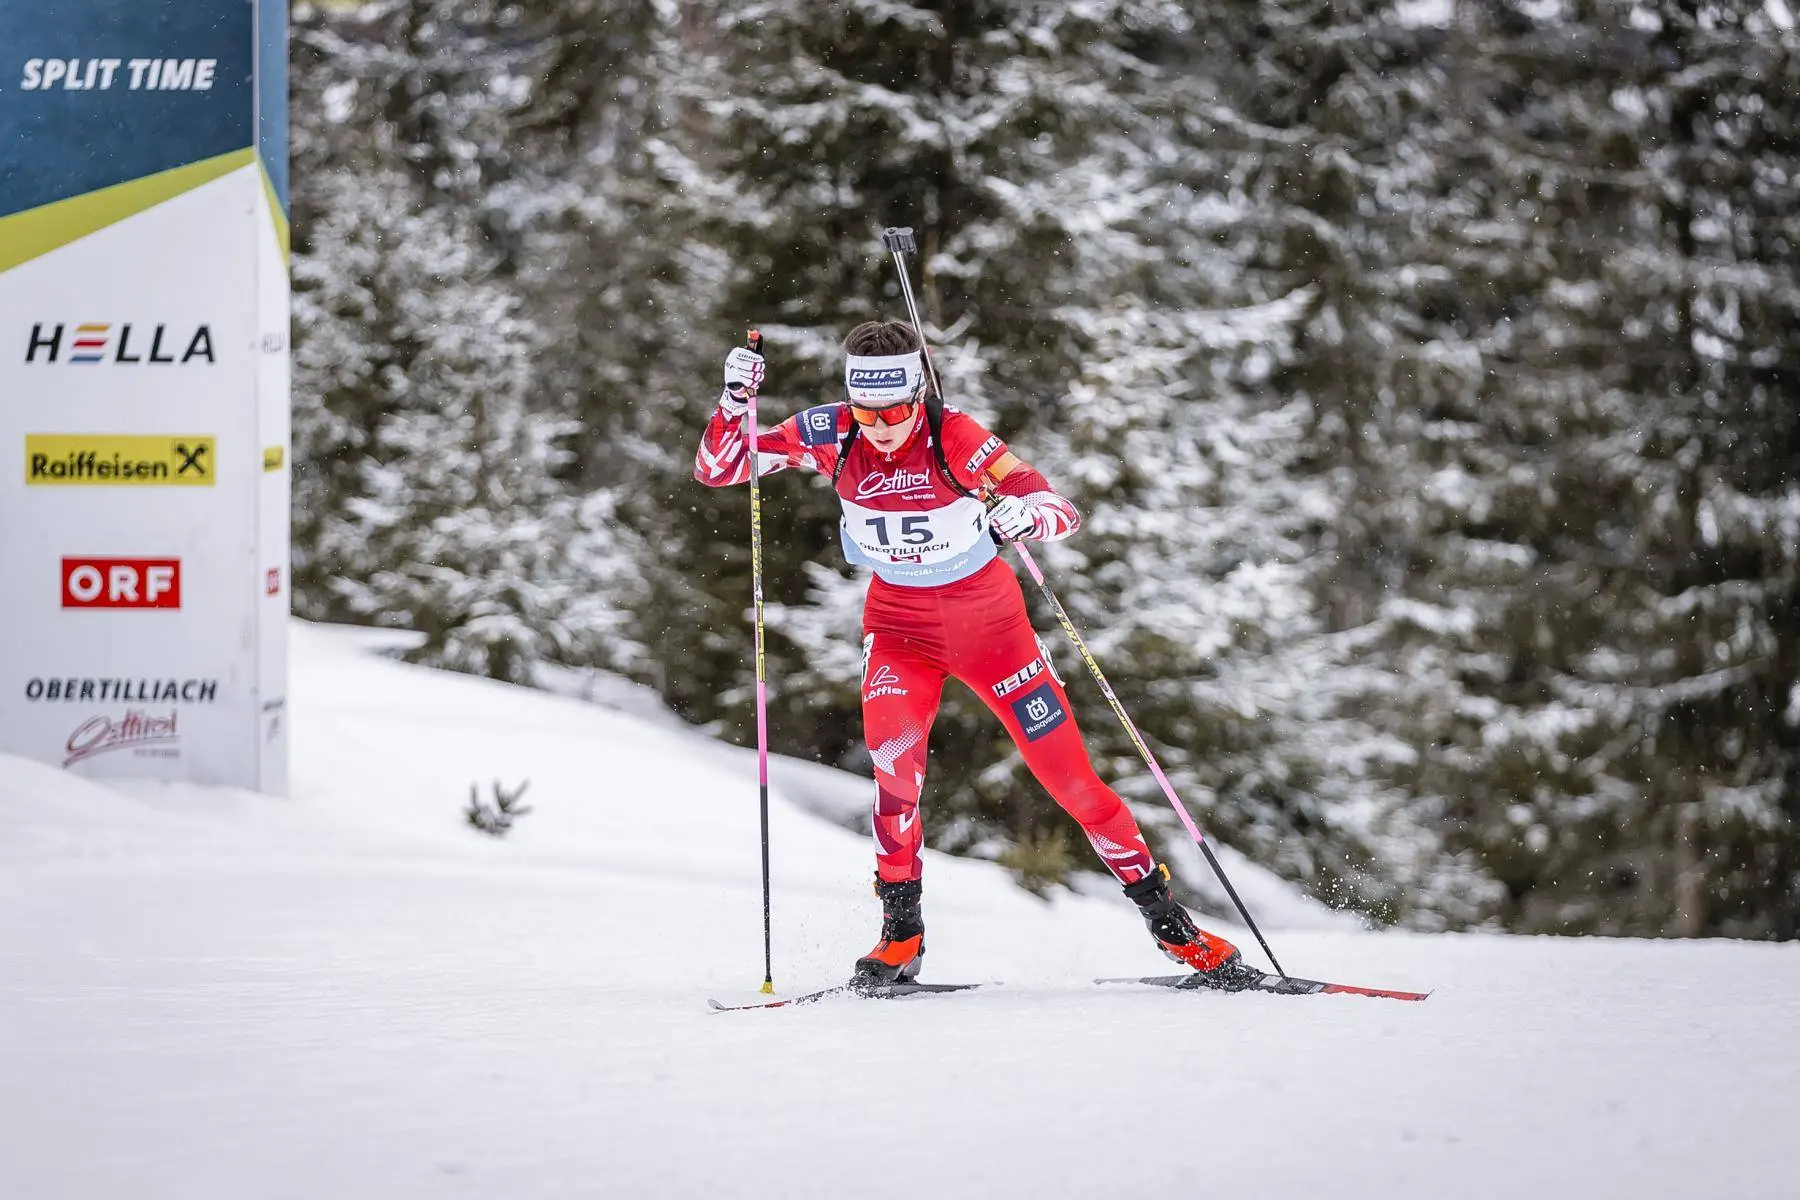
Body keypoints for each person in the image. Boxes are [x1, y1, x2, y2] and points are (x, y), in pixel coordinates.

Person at [695, 319, 1250, 987]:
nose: (881, 426)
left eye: (896, 410)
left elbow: (1058, 506)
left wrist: (1028, 515)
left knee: (1071, 781)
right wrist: (732, 404)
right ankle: (901, 934)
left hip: (993, 631)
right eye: (868, 411)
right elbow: (719, 470)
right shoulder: (830, 432)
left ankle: (1171, 926)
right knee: (895, 772)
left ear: (917, 396)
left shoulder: (955, 436)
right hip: (901, 630)